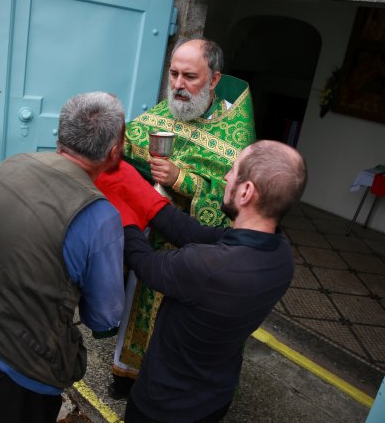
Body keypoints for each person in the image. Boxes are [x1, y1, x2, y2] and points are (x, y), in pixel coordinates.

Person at [0, 92, 127, 422]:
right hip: (9, 362)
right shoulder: (99, 216)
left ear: (60, 134)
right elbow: (104, 317)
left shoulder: (13, 164)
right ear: (114, 149)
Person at [100, 140, 307, 422]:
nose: (225, 177)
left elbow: (145, 264)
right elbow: (192, 232)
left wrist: (120, 212)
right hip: (215, 398)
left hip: (163, 405)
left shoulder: (206, 266)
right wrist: (135, 187)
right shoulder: (281, 254)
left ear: (246, 191)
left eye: (233, 171)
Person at [104, 38, 256, 398]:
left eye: (190, 76)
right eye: (173, 74)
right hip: (151, 239)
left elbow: (235, 199)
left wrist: (182, 180)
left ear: (214, 80)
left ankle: (165, 386)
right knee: (138, 307)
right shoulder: (165, 112)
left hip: (194, 251)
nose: (177, 85)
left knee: (177, 323)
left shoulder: (235, 135)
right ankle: (127, 373)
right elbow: (127, 151)